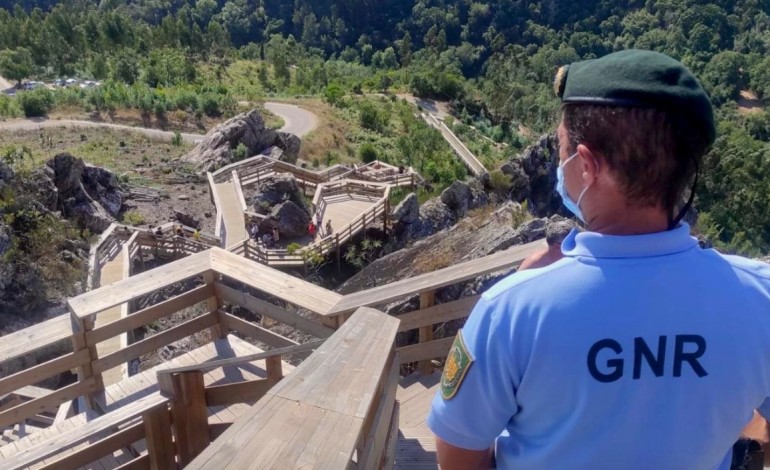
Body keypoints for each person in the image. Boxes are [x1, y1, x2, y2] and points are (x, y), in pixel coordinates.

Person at [428, 49, 770, 470]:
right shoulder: (760, 298)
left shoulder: (512, 311)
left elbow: (458, 459)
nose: (559, 163)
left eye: (561, 149)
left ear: (587, 165)